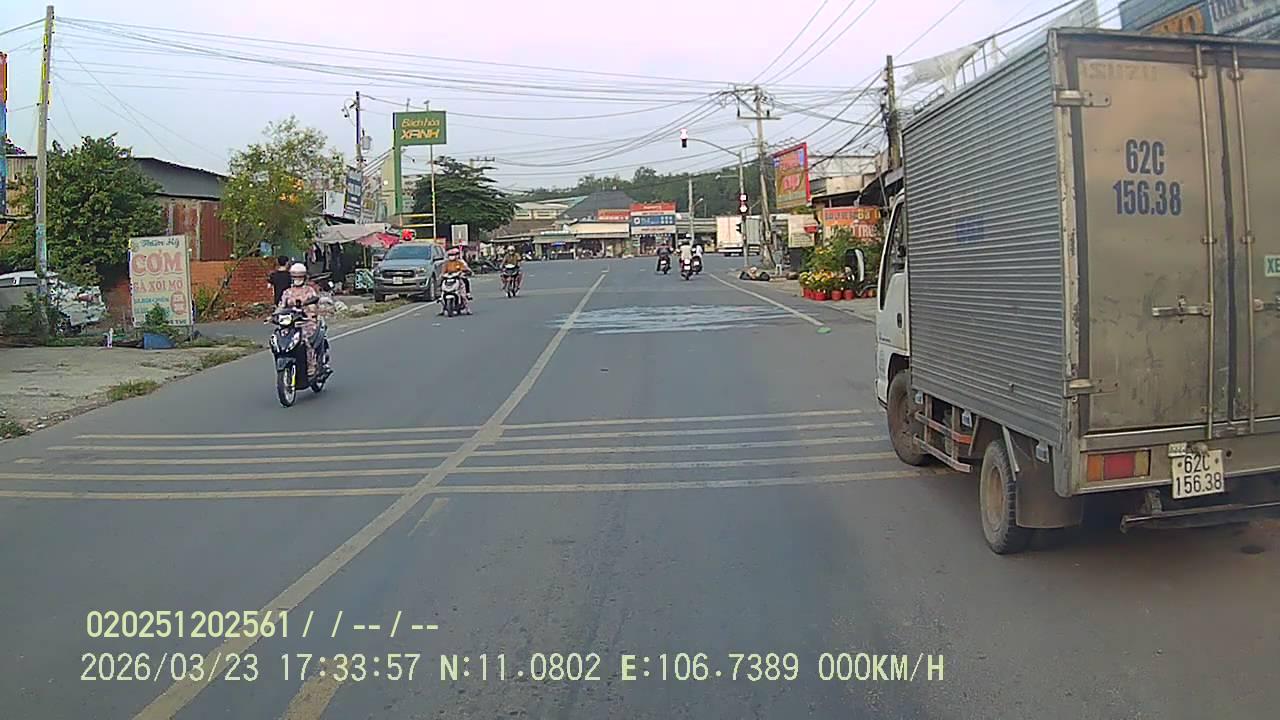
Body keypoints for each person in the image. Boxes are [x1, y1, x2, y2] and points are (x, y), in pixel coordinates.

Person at [278, 262, 328, 374]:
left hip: (307, 322)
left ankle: (311, 365)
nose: (297, 279)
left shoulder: (309, 291)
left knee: (305, 339)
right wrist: (273, 316)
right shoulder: (287, 292)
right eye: (295, 277)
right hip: (291, 323)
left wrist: (310, 308)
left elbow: (315, 303)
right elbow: (281, 307)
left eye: (300, 277)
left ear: (304, 277)